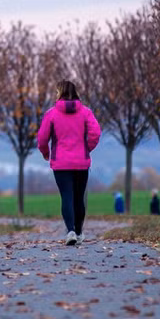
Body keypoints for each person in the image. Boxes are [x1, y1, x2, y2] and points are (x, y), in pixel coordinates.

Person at [36, 80, 102, 246]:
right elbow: (96, 133)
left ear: (59, 93)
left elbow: (42, 138)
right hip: (81, 162)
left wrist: (46, 152)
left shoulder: (51, 114)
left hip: (61, 163)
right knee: (79, 198)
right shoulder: (86, 112)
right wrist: (87, 148)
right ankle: (79, 232)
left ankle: (70, 231)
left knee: (67, 196)